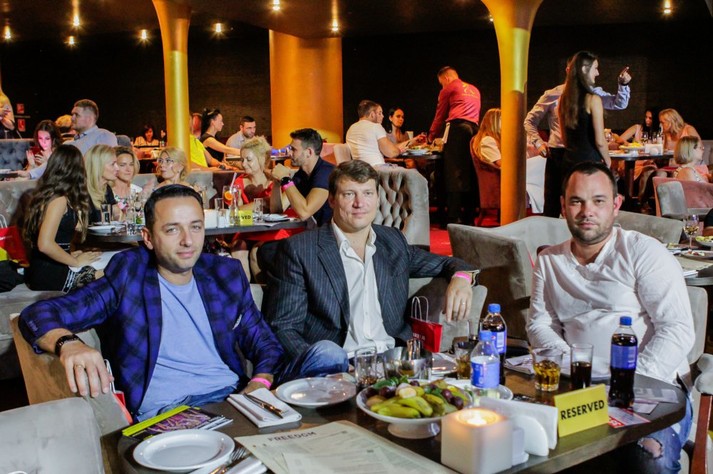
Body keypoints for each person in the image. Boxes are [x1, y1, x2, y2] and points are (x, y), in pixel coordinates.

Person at [18, 185, 341, 421]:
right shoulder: (129, 275)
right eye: (172, 230)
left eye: (195, 227)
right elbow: (36, 314)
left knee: (330, 354)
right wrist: (68, 344)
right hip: (173, 411)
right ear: (148, 238)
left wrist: (259, 383)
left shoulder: (224, 274)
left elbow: (265, 345)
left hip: (235, 398)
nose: (188, 241)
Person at [527, 161, 694, 472]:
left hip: (652, 390)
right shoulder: (550, 261)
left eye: (598, 201)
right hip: (580, 389)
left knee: (646, 461)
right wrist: (571, 363)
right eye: (576, 201)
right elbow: (541, 323)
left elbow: (677, 329)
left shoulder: (643, 252)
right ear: (563, 206)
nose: (586, 211)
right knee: (533, 449)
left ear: (616, 205)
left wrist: (627, 384)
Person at [265, 160, 478, 362]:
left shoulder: (393, 241)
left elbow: (448, 263)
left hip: (394, 360)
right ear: (332, 200)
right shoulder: (301, 250)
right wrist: (320, 364)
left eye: (367, 193)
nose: (359, 203)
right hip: (339, 364)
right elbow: (284, 327)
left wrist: (461, 278)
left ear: (377, 199)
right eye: (349, 194)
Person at [525, 60, 631, 217]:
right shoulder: (554, 94)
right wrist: (538, 143)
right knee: (554, 203)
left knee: (583, 200)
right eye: (594, 68)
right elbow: (529, 121)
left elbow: (619, 104)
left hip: (582, 152)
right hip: (558, 153)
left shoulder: (593, 94)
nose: (597, 73)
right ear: (570, 70)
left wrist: (623, 85)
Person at [22, 145, 100, 291]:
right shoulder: (59, 200)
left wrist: (68, 254)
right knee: (111, 273)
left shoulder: (48, 195)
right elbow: (44, 244)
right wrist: (75, 262)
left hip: (45, 267)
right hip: (50, 273)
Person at [427, 67, 481, 226]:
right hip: (475, 130)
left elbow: (440, 115)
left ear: (446, 78)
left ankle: (453, 217)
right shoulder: (474, 89)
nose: (442, 86)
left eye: (441, 83)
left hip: (458, 129)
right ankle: (469, 217)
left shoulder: (449, 88)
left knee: (454, 173)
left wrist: (431, 136)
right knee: (471, 172)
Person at [558, 51, 611, 174]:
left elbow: (565, 139)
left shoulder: (563, 99)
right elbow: (600, 141)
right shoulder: (593, 100)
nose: (598, 73)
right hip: (590, 164)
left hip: (569, 163)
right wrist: (608, 161)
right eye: (595, 68)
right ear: (584, 69)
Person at [270, 128, 334, 226]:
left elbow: (305, 212)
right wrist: (277, 183)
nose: (289, 153)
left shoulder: (326, 172)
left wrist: (285, 179)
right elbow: (277, 210)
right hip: (313, 231)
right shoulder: (301, 175)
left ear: (309, 152)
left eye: (293, 149)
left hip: (331, 233)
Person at [346, 100, 413, 167]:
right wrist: (399, 151)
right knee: (413, 172)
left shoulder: (350, 129)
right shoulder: (376, 126)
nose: (383, 116)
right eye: (379, 113)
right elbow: (392, 153)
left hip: (359, 170)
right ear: (372, 114)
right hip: (378, 169)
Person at [84, 144, 118, 224]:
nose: (117, 168)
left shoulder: (106, 188)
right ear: (98, 166)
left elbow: (117, 214)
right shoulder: (82, 190)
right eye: (113, 164)